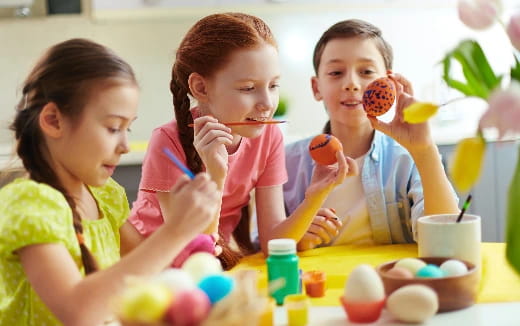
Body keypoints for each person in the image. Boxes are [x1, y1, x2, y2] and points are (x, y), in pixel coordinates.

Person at [0, 38, 219, 326]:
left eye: (128, 128)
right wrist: (175, 231)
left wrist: (185, 233)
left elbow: (147, 271)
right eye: (114, 128)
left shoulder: (104, 195)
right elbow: (78, 312)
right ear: (53, 120)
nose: (126, 145)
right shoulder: (30, 203)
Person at [124, 13, 356, 269]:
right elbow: (189, 250)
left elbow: (272, 244)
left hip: (209, 263)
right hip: (154, 267)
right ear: (201, 88)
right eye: (248, 88)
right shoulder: (167, 141)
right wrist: (215, 175)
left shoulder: (269, 137)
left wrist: (315, 195)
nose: (267, 103)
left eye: (273, 85)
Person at [283, 19, 459, 250]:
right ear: (317, 88)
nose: (352, 84)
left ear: (389, 84)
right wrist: (296, 239)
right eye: (336, 72)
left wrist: (424, 150)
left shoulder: (406, 157)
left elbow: (447, 241)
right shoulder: (287, 161)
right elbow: (263, 245)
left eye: (366, 71)